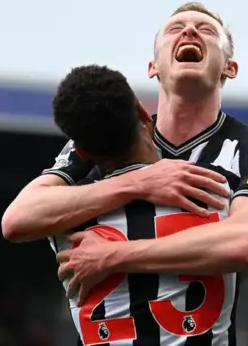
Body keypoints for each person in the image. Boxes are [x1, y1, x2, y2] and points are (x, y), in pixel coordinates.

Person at [3, 2, 248, 346]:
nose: (189, 31)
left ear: (229, 68)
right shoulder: (108, 138)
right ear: (153, 67)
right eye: (175, 28)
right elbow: (17, 220)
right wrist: (141, 182)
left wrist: (114, 256)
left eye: (206, 29)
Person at [49, 64, 237, 345]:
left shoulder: (60, 219)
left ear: (81, 151)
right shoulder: (216, 189)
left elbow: (16, 221)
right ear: (142, 113)